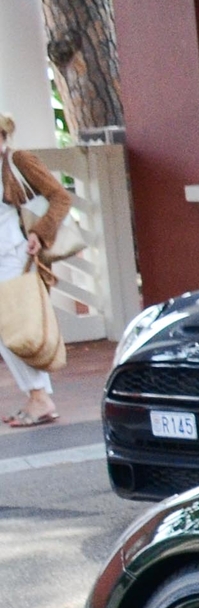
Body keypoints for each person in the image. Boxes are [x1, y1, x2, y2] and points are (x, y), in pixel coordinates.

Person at [0, 113, 74, 429]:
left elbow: (61, 197)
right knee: (12, 330)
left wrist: (39, 233)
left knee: (13, 329)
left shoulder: (19, 160)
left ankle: (40, 397)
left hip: (17, 256)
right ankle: (38, 396)